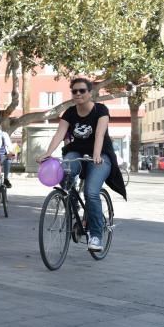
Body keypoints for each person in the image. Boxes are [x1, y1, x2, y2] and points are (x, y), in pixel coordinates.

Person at [37, 78, 127, 252]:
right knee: (64, 171)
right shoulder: (70, 112)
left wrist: (96, 155)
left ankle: (95, 236)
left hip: (100, 155)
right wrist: (47, 153)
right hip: (77, 152)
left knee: (91, 192)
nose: (78, 94)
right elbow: (59, 134)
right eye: (74, 91)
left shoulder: (100, 110)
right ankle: (71, 201)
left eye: (82, 91)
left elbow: (100, 134)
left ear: (90, 92)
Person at [0, 119, 13, 189]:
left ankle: (6, 178)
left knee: (7, 160)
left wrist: (11, 153)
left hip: (1, 157)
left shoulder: (3, 135)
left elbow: (9, 146)